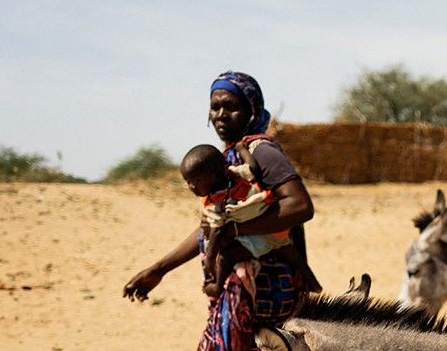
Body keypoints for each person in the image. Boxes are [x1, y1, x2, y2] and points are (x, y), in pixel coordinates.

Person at [124, 71, 315, 351]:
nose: (221, 115)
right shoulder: (225, 161)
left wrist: (238, 230)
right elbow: (212, 225)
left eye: (231, 107)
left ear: (251, 111)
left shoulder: (261, 152)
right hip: (240, 296)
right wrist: (159, 269)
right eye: (216, 107)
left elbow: (300, 206)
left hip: (269, 292)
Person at [179, 144, 321, 297]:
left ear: (217, 175)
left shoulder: (216, 203)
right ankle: (314, 284)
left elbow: (217, 232)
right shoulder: (236, 174)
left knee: (226, 258)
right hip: (274, 224)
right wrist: (243, 150)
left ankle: (217, 287)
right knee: (292, 255)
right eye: (188, 182)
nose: (191, 186)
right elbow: (253, 168)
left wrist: (210, 260)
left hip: (258, 235)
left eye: (196, 180)